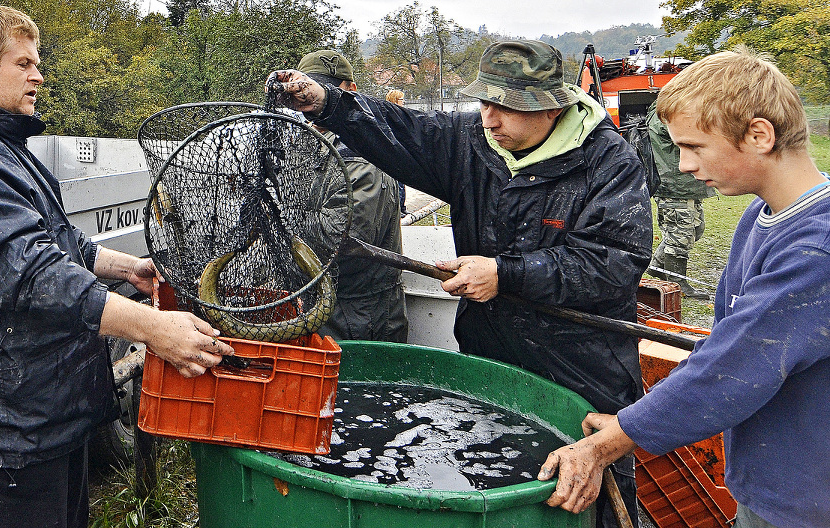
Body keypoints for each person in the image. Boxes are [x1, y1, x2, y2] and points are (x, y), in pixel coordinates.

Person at [270, 40, 653, 528]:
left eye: (507, 107)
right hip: (490, 357)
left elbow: (614, 263)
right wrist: (329, 103)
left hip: (581, 366)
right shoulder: (472, 139)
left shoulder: (607, 160)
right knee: (495, 484)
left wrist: (505, 273)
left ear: (553, 105)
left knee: (592, 502)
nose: (490, 118)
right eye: (485, 102)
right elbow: (399, 131)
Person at [0, 5, 233, 527]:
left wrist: (124, 267)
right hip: (10, 424)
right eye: (23, 63)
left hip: (44, 410)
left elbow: (57, 240)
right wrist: (155, 326)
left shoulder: (4, 144)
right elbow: (33, 277)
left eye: (37, 62)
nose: (39, 75)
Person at [537, 48, 830, 528]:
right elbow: (724, 339)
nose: (686, 165)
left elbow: (737, 366)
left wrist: (612, 442)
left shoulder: (816, 249)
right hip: (766, 482)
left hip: (806, 501)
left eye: (694, 147)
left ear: (759, 135)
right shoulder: (761, 216)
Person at [296, 50, 408, 342]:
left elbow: (345, 240)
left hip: (361, 314)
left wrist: (280, 219)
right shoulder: (302, 141)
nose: (312, 103)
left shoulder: (364, 151)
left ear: (351, 90)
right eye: (306, 92)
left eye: (327, 91)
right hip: (314, 302)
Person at [645, 100, 716, 299]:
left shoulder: (669, 113)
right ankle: (677, 283)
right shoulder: (666, 116)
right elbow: (693, 137)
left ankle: (657, 267)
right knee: (680, 234)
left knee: (694, 229)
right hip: (675, 186)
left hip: (685, 185)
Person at [385, 89, 408, 215]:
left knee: (401, 183)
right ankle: (398, 210)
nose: (403, 102)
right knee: (396, 183)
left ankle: (402, 208)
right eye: (401, 100)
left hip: (401, 150)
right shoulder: (391, 114)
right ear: (395, 100)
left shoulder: (400, 114)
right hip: (394, 151)